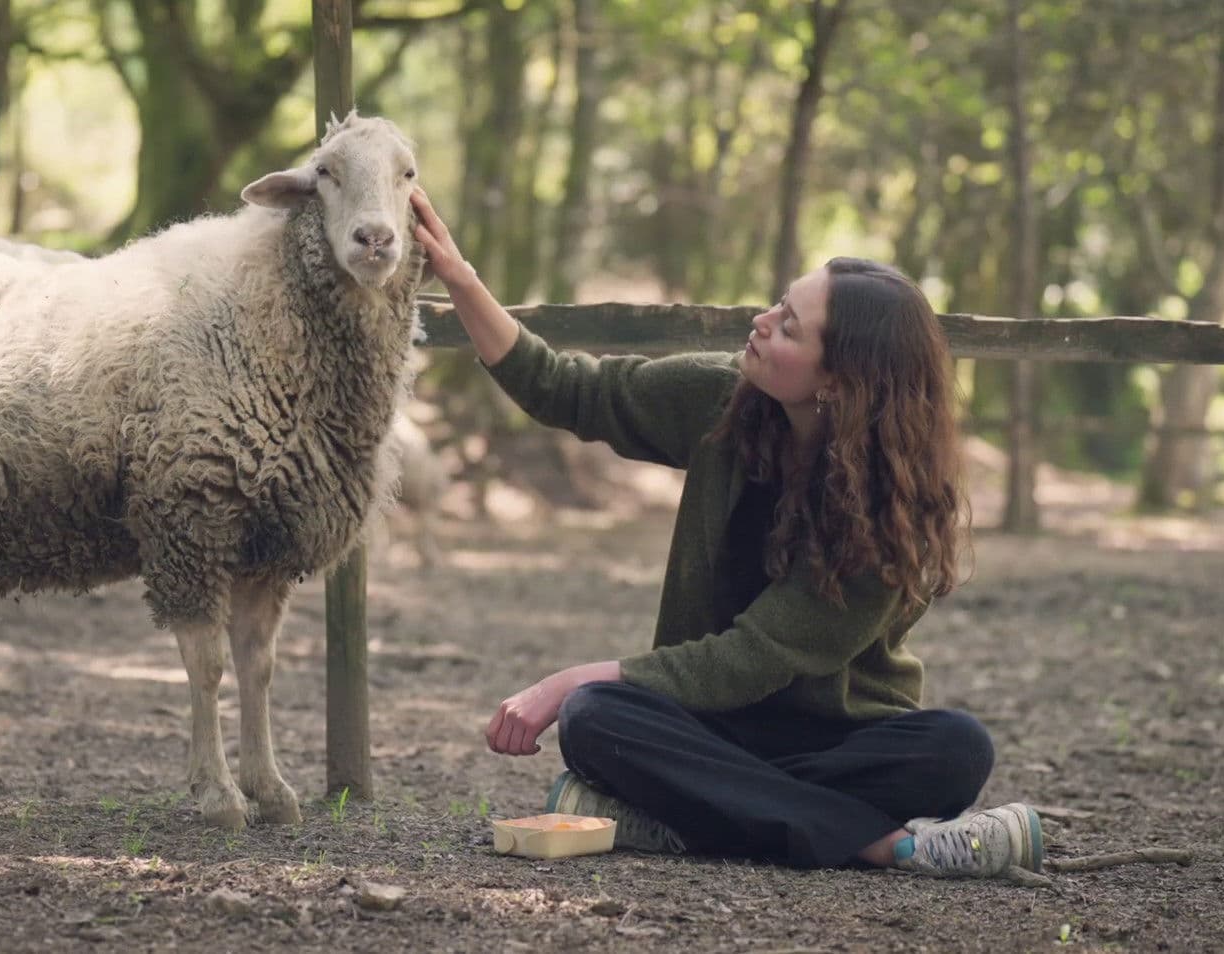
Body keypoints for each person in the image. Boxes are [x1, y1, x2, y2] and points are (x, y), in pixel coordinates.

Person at [409, 188, 1042, 880]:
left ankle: (677, 818)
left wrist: (564, 678)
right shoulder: (724, 404)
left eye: (791, 328)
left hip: (832, 739)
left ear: (841, 381)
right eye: (778, 304)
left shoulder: (891, 513)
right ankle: (884, 845)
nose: (763, 322)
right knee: (597, 718)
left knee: (957, 748)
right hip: (703, 728)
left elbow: (751, 657)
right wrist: (460, 279)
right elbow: (569, 389)